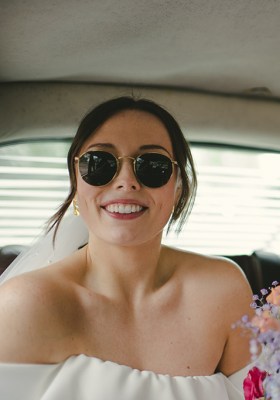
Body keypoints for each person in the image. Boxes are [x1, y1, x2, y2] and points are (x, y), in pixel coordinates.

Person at [0, 97, 254, 399]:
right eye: (100, 163)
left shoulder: (225, 290)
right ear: (76, 181)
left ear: (177, 189)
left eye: (153, 166)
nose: (126, 181)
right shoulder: (24, 304)